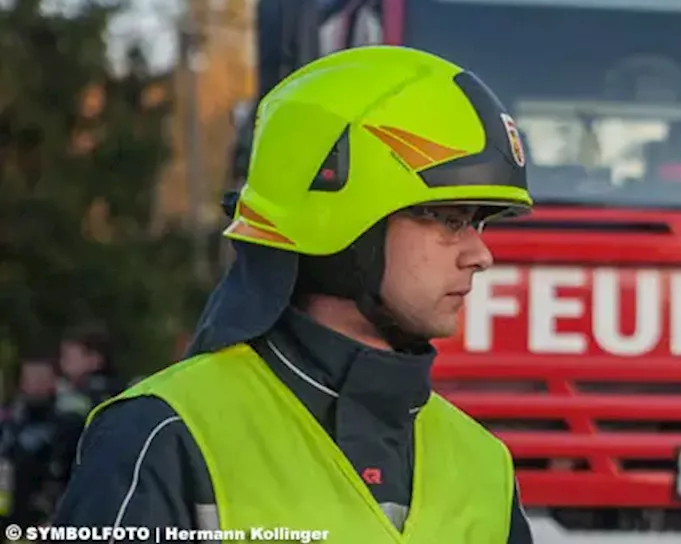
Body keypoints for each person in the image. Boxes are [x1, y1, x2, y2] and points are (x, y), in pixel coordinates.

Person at [54, 45, 537, 542]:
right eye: (451, 220)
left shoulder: (486, 466)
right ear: (338, 218)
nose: (480, 254)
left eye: (480, 223)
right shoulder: (165, 436)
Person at [1, 353, 83, 528]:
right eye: (30, 378)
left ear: (54, 381)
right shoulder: (9, 423)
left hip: (50, 518)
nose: (36, 384)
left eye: (41, 378)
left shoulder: (69, 424)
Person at [58, 323, 123, 409]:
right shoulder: (61, 389)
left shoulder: (107, 395)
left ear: (94, 360)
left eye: (69, 358)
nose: (62, 362)